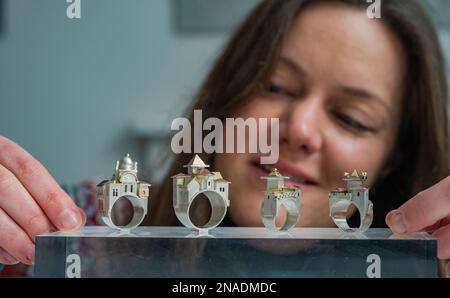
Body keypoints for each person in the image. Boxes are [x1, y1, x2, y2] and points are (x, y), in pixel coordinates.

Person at [0, 0, 449, 276]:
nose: (299, 130)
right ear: (226, 99)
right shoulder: (76, 226)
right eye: (274, 87)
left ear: (394, 156)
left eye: (351, 118)